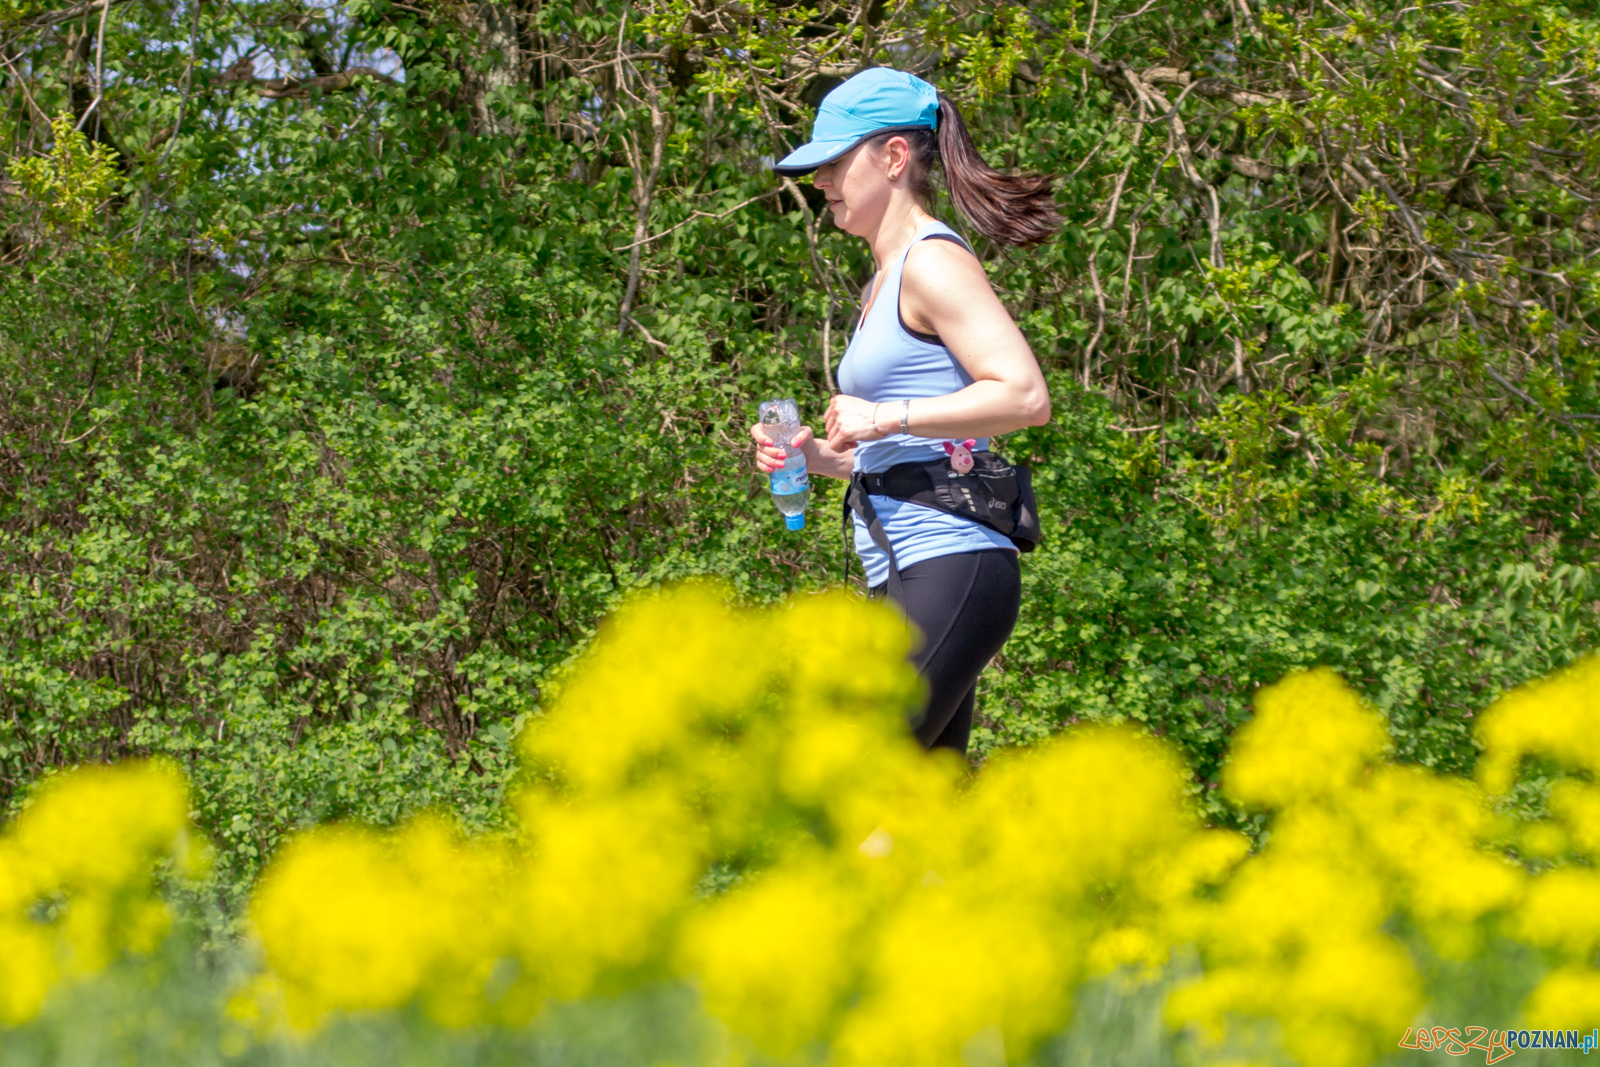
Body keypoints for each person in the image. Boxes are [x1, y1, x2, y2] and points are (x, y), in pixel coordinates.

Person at [750, 67, 1059, 756]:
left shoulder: (931, 263)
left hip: (951, 556)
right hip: (897, 565)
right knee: (915, 832)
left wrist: (886, 417)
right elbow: (898, 454)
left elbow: (1024, 395)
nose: (821, 180)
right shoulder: (880, 283)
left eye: (834, 162)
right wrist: (814, 458)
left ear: (892, 158)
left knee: (857, 788)